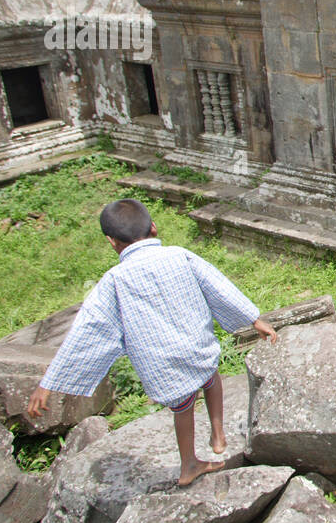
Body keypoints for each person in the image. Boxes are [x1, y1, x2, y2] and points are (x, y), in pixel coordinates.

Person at [27, 198, 278, 486]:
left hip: (163, 362)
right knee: (212, 378)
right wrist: (254, 318)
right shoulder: (179, 255)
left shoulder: (114, 280)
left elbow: (87, 329)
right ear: (154, 228)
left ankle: (189, 465)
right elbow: (217, 285)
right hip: (197, 346)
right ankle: (218, 434)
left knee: (183, 408)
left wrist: (49, 382)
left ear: (112, 242)